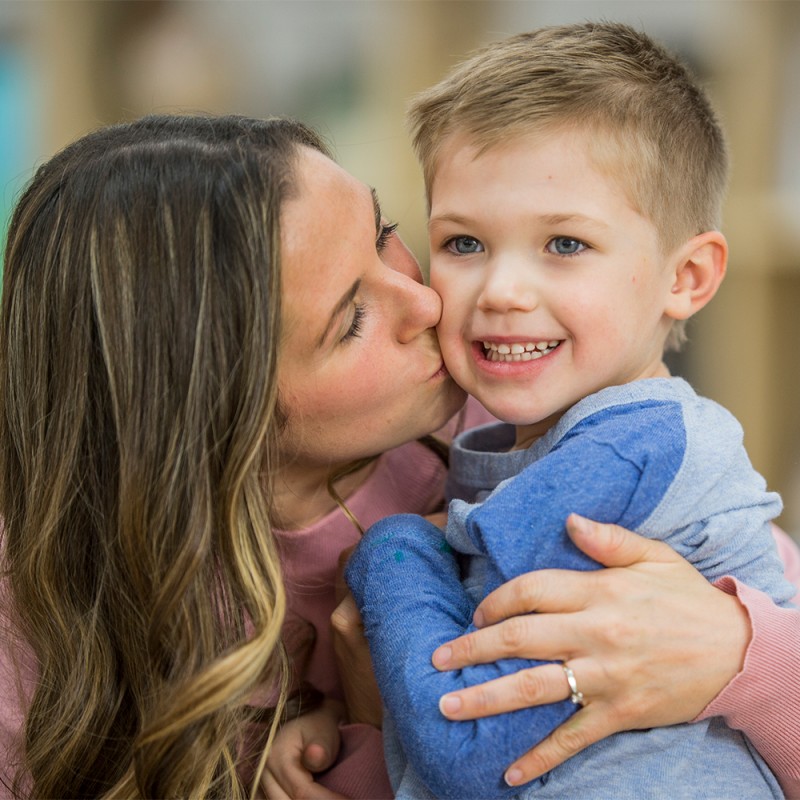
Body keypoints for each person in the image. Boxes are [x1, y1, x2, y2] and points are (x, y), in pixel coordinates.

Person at [0, 112, 797, 800]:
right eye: (351, 319)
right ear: (210, 414)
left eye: (387, 237)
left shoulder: (516, 425)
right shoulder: (36, 635)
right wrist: (377, 731)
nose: (429, 303)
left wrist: (737, 651)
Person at [345, 22, 798, 800]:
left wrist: (393, 553)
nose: (502, 291)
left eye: (564, 245)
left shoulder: (625, 454)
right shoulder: (538, 450)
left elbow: (466, 742)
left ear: (686, 277)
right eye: (463, 244)